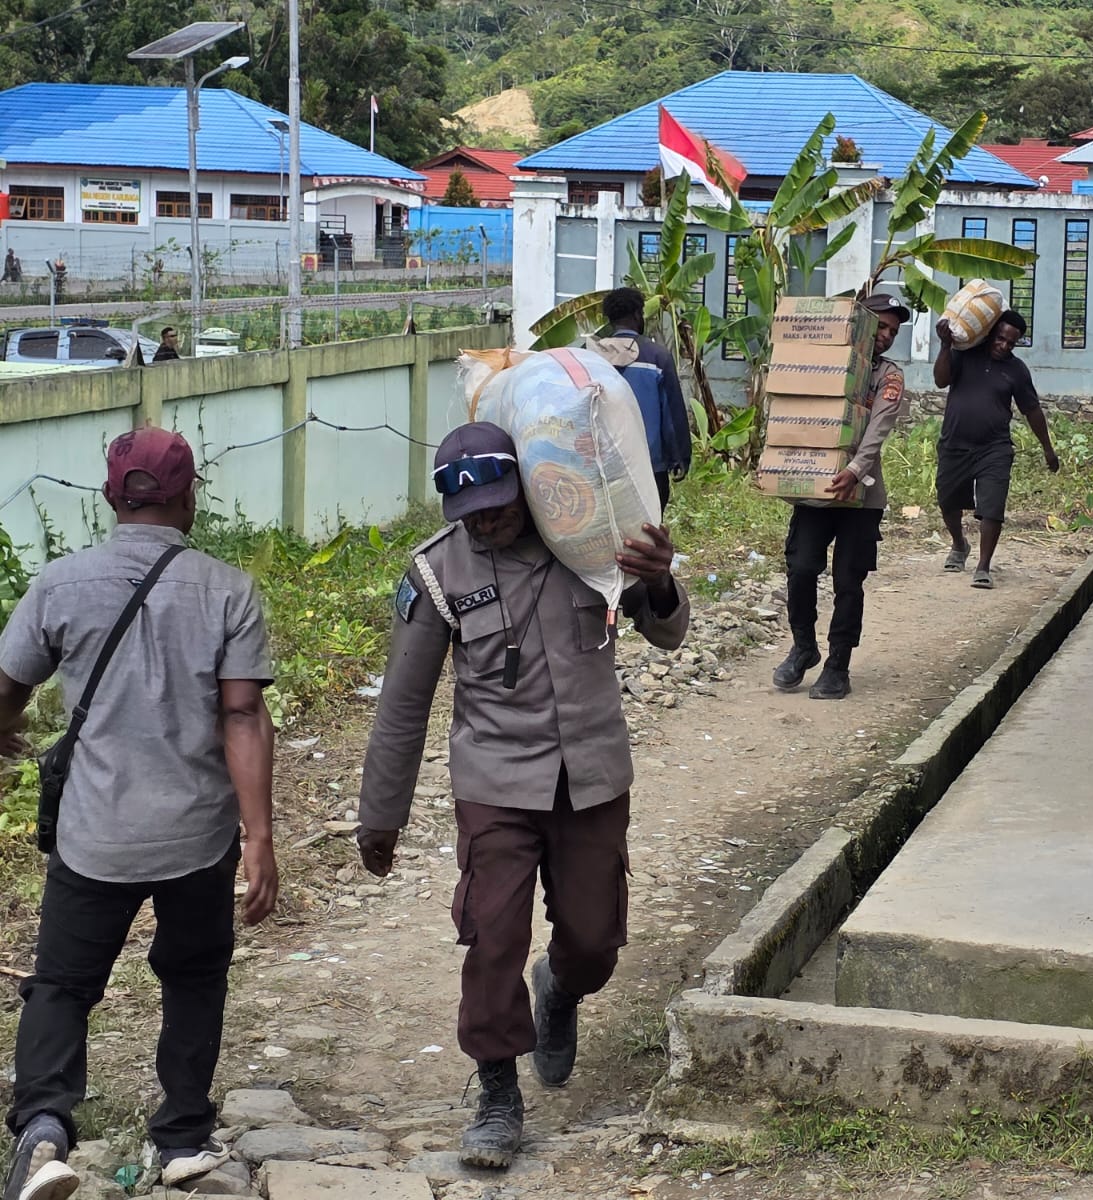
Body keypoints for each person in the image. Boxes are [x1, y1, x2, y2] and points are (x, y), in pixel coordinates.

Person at [355, 421, 688, 1171]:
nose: (488, 520)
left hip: (592, 775)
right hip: (495, 779)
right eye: (471, 511)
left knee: (596, 941)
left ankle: (561, 991)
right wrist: (381, 817)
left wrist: (661, 580)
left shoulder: (589, 544)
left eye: (499, 504)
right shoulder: (437, 574)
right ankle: (498, 1092)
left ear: (527, 489)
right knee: (492, 936)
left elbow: (667, 633)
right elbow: (403, 705)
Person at [0, 428, 277, 1200]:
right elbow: (244, 715)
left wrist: (10, 730)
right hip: (198, 834)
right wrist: (259, 838)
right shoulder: (227, 590)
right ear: (191, 498)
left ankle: (45, 1131)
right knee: (193, 977)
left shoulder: (60, 584)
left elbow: (5, 686)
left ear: (111, 497)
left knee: (60, 984)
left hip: (95, 834)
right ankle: (183, 1135)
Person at [772, 293, 909, 700]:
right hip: (816, 495)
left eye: (893, 332)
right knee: (800, 569)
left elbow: (878, 429)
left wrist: (853, 470)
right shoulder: (822, 360)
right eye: (881, 326)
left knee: (848, 580)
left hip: (861, 498)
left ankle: (838, 665)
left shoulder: (888, 376)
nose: (886, 336)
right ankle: (803, 647)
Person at [934, 310, 1059, 589]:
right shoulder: (965, 353)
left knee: (992, 507)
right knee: (948, 500)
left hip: (995, 448)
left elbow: (1032, 411)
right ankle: (959, 544)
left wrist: (1048, 449)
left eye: (1011, 343)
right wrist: (945, 346)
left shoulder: (1016, 370)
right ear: (991, 333)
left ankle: (983, 566)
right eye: (1000, 338)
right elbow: (941, 380)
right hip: (954, 444)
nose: (1004, 346)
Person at [598, 287, 692, 508]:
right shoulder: (657, 356)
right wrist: (680, 456)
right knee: (648, 531)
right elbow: (672, 413)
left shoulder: (591, 355)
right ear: (637, 315)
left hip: (603, 466)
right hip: (649, 467)